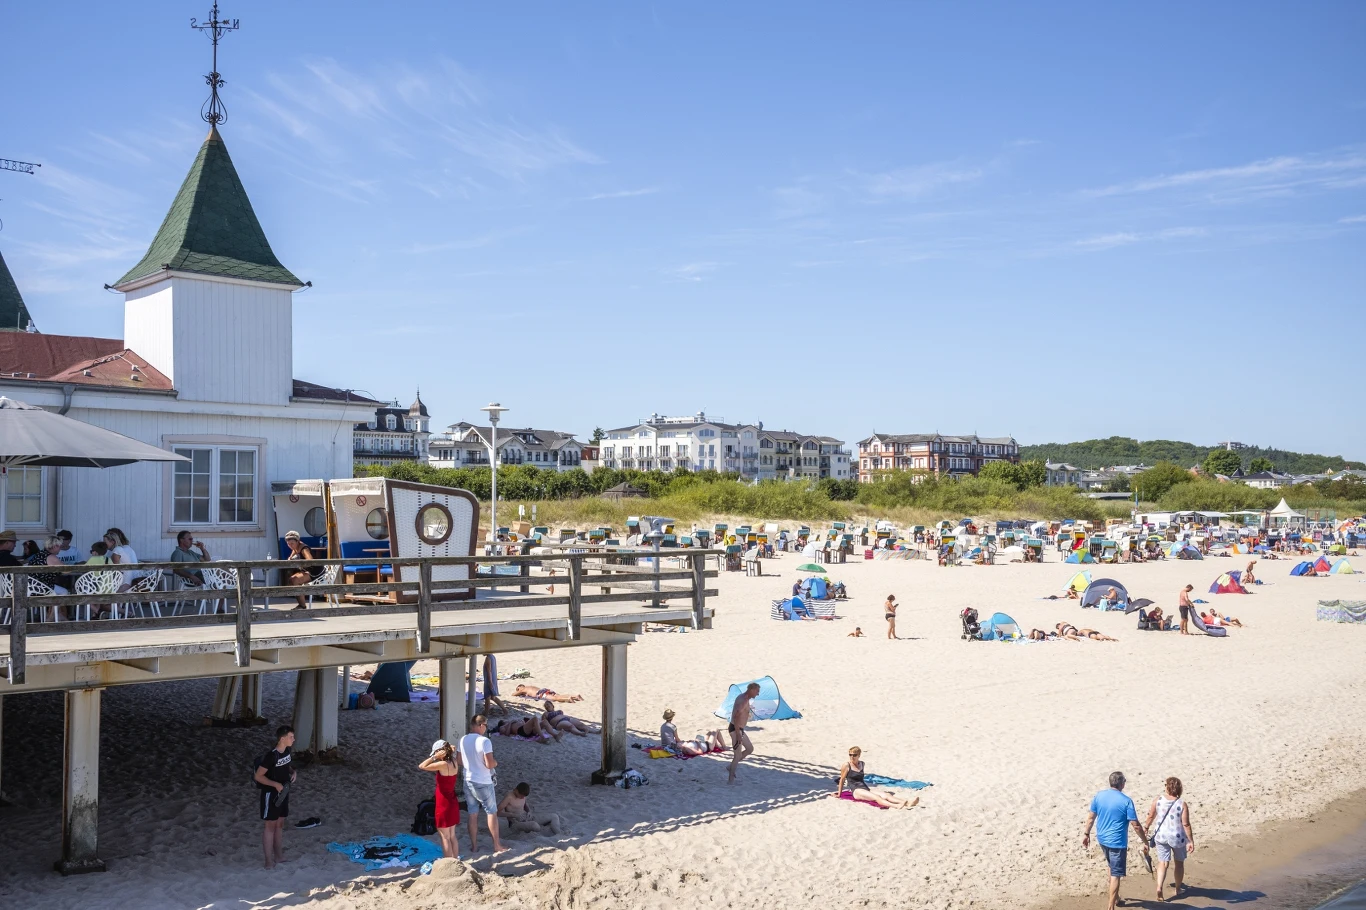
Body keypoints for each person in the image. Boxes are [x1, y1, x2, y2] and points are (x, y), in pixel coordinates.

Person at [1082, 771, 1150, 910]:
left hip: (1102, 838)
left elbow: (1091, 817)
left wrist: (1086, 834)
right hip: (1117, 842)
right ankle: (1111, 906)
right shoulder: (1126, 801)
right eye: (1124, 780)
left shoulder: (1099, 796)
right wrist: (1145, 841)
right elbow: (1136, 825)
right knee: (1116, 874)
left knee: (1110, 866)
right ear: (1121, 784)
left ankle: (1116, 897)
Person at [459, 715, 508, 854]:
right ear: (481, 725)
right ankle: (497, 845)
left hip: (468, 780)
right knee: (491, 812)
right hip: (483, 781)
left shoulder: (463, 739)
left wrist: (472, 764)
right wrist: (495, 763)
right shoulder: (484, 741)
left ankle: (474, 846)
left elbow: (459, 760)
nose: (486, 728)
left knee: (472, 814)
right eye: (485, 726)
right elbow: (489, 764)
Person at [253, 725, 298, 870]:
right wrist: (274, 785)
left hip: (284, 791)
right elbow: (258, 776)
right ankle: (268, 861)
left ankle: (279, 856)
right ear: (282, 738)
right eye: (291, 737)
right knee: (270, 826)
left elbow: (287, 765)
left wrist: (293, 772)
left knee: (280, 824)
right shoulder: (271, 756)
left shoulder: (287, 751)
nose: (294, 739)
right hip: (270, 794)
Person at [1144, 776, 1196, 901]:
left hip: (1161, 835)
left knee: (1163, 862)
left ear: (1167, 787)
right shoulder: (1181, 804)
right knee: (1179, 863)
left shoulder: (1158, 800)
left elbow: (1151, 816)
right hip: (1177, 837)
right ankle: (1178, 889)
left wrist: (1146, 827)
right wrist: (1190, 840)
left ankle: (1159, 887)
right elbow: (1186, 824)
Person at [836, 746, 919, 809]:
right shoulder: (846, 765)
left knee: (886, 794)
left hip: (865, 788)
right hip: (856, 791)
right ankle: (896, 806)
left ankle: (907, 803)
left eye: (854, 755)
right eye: (850, 755)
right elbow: (842, 779)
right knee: (877, 797)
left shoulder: (862, 764)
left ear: (859, 755)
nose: (852, 757)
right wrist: (839, 794)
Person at [417, 739, 461, 859]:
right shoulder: (454, 761)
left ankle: (448, 862)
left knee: (445, 837)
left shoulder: (442, 764)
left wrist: (434, 757)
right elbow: (452, 748)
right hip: (452, 800)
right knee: (452, 836)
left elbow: (422, 766)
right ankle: (455, 860)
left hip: (444, 803)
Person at [497, 782, 562, 835]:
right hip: (515, 823)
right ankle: (544, 831)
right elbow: (497, 812)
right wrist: (513, 815)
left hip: (527, 817)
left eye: (524, 796)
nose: (522, 798)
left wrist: (529, 811)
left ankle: (559, 833)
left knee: (554, 816)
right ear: (516, 790)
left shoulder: (522, 795)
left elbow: (525, 805)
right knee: (535, 825)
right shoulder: (509, 797)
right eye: (521, 796)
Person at [728, 682, 760, 784]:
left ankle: (730, 767)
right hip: (735, 729)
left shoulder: (745, 698)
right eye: (757, 691)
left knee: (750, 749)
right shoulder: (744, 700)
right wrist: (738, 734)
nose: (757, 694)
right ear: (752, 690)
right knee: (737, 756)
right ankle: (730, 781)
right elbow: (736, 717)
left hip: (740, 729)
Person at [283, 531, 322, 609]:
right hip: (307, 571)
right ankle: (301, 603)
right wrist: (290, 558)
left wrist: (300, 563)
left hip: (315, 572)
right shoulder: (296, 547)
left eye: (292, 544)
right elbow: (294, 550)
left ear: (297, 541)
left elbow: (310, 560)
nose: (290, 546)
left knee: (294, 580)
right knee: (291, 580)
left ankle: (302, 605)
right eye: (288, 544)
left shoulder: (304, 549)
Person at [660, 709, 725, 756]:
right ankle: (724, 746)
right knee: (716, 730)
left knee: (710, 732)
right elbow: (700, 752)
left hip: (700, 743)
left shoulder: (662, 726)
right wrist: (697, 743)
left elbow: (675, 741)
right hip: (707, 746)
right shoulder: (673, 727)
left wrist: (689, 742)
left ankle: (717, 745)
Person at [491, 714, 557, 743]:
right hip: (521, 731)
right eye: (504, 720)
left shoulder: (511, 722)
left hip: (526, 729)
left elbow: (524, 724)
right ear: (503, 722)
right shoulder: (503, 726)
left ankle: (555, 736)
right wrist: (510, 723)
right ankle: (542, 737)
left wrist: (521, 721)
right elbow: (507, 734)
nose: (506, 720)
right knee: (535, 718)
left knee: (544, 722)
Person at [512, 685, 582, 703]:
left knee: (555, 699)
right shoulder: (530, 686)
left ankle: (568, 699)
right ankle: (575, 696)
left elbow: (513, 694)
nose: (518, 690)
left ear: (521, 687)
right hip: (544, 690)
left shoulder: (523, 689)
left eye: (518, 688)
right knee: (558, 695)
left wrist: (518, 691)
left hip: (540, 693)